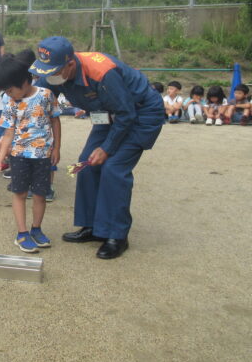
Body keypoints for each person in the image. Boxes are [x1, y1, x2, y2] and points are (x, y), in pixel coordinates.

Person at [30, 36, 163, 260]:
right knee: (85, 164)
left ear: (70, 65)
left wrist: (107, 148)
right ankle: (92, 227)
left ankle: (116, 235)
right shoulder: (55, 73)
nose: (48, 76)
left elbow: (126, 113)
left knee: (113, 168)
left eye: (52, 71)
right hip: (105, 115)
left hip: (138, 114)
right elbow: (36, 100)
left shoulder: (102, 73)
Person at [0, 53, 61, 253]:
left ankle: (36, 229)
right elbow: (8, 132)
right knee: (19, 193)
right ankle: (22, 233)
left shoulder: (46, 95)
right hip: (19, 155)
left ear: (24, 81)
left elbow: (55, 120)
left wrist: (56, 147)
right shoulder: (10, 102)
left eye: (10, 89)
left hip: (43, 155)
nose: (9, 94)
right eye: (6, 91)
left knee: (40, 194)